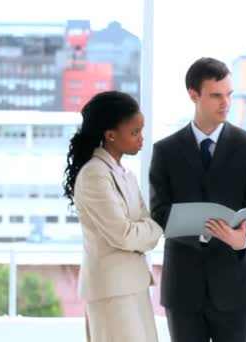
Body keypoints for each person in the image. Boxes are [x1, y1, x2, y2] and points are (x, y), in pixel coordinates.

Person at [149, 57, 246, 342]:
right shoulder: (165, 151)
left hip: (234, 287)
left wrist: (243, 241)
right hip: (183, 288)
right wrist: (203, 231)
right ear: (194, 95)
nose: (225, 103)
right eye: (216, 95)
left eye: (229, 94)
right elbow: (159, 214)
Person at [63, 91, 162, 342]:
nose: (141, 139)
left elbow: (145, 226)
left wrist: (147, 229)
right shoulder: (94, 175)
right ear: (110, 135)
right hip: (111, 292)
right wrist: (151, 229)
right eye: (134, 132)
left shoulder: (126, 174)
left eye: (141, 131)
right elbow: (125, 235)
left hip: (134, 286)